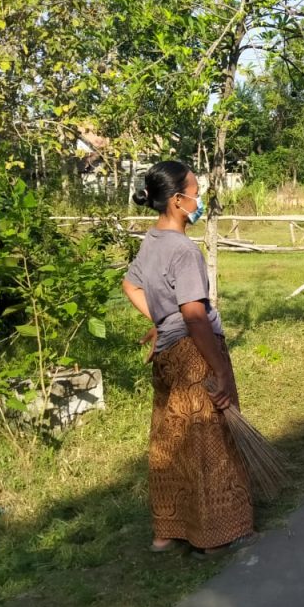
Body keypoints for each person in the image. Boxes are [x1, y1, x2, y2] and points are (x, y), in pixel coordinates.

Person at [122, 160, 254, 559]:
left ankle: (166, 532)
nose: (199, 199)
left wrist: (161, 321)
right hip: (194, 355)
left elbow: (130, 285)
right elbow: (195, 315)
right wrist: (220, 369)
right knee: (206, 442)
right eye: (196, 193)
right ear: (178, 200)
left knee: (169, 439)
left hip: (167, 355)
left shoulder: (152, 240)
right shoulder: (184, 250)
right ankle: (213, 536)